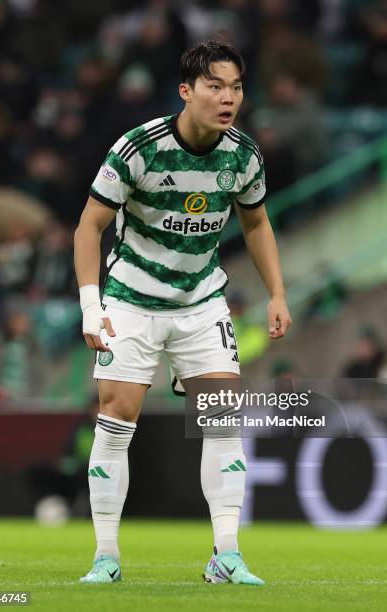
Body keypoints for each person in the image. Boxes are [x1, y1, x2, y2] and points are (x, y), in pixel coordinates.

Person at [74, 40, 291, 586]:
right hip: (130, 299)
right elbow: (88, 228)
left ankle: (226, 555)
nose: (228, 98)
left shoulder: (243, 155)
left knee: (222, 417)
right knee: (117, 418)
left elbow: (257, 223)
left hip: (200, 301)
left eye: (236, 87)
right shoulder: (137, 149)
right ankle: (106, 557)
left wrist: (277, 293)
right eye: (215, 86)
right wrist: (89, 305)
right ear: (186, 91)